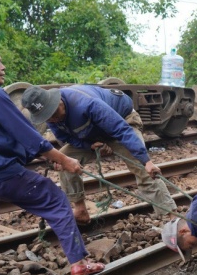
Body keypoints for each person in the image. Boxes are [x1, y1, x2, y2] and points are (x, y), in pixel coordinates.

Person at [0, 42, 104, 275]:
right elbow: (27, 135)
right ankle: (80, 263)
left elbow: (3, 140)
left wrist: (45, 157)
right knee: (55, 200)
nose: (3, 66)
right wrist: (64, 159)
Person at [21, 85, 176, 225]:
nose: (53, 119)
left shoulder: (87, 104)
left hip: (123, 122)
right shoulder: (50, 116)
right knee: (65, 161)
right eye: (49, 117)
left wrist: (146, 161)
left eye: (55, 113)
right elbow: (65, 138)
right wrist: (89, 145)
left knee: (144, 168)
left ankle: (171, 216)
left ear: (59, 101)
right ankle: (80, 208)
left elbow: (121, 130)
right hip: (94, 133)